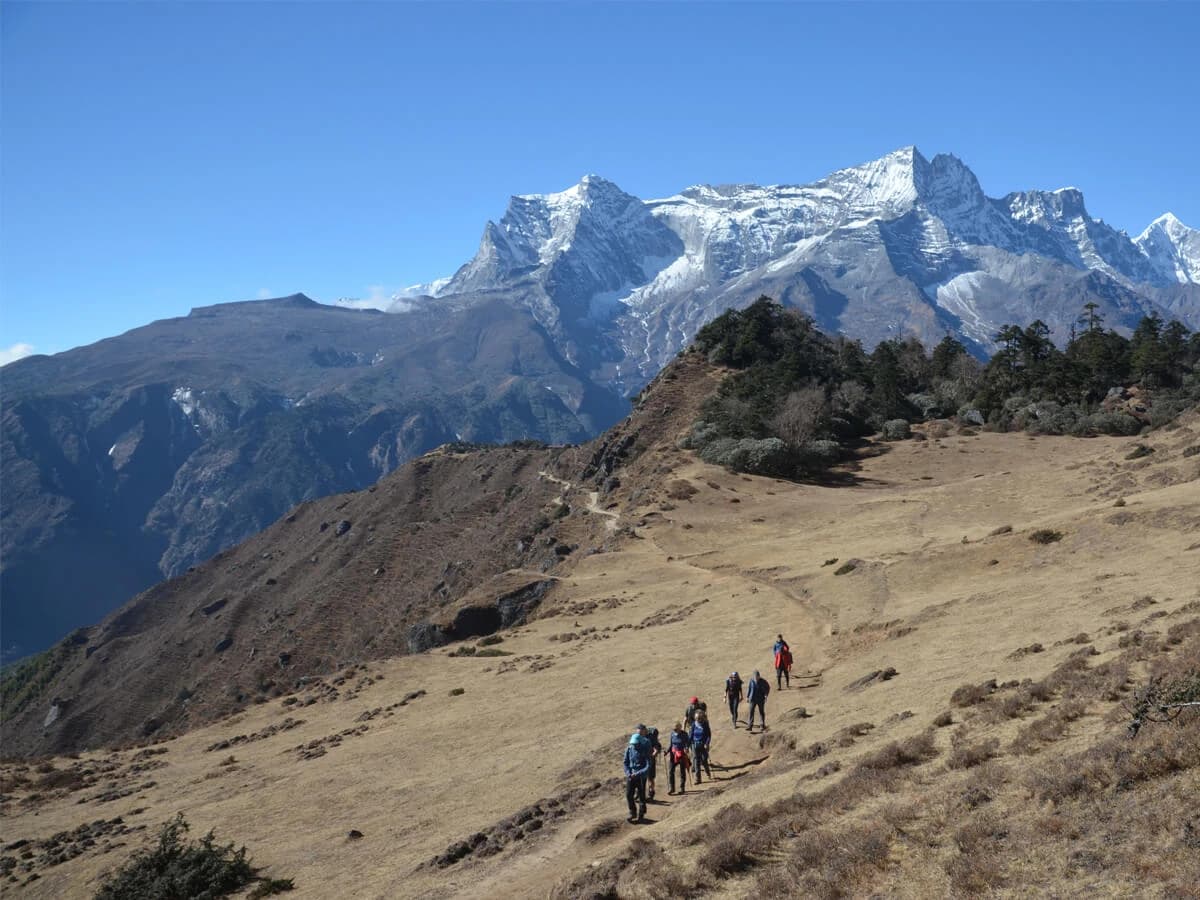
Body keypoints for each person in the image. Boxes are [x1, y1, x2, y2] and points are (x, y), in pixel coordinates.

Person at [623, 725, 651, 823]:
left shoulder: (645, 750)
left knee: (641, 795)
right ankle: (632, 812)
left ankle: (641, 814)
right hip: (631, 775)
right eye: (633, 743)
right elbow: (625, 762)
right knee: (629, 795)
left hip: (641, 777)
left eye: (635, 744)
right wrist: (628, 772)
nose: (634, 745)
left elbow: (648, 765)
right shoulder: (629, 749)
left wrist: (639, 773)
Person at [667, 722, 691, 795]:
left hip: (682, 754)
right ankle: (672, 788)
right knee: (671, 771)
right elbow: (671, 745)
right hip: (673, 755)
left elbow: (687, 743)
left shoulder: (684, 734)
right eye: (674, 729)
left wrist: (686, 748)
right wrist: (667, 751)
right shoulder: (672, 734)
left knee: (682, 771)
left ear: (680, 728)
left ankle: (682, 788)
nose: (675, 730)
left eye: (676, 729)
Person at [690, 710, 713, 783]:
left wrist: (707, 743)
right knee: (696, 761)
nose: (697, 720)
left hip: (703, 745)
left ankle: (707, 772)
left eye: (699, 718)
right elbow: (690, 735)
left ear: (702, 718)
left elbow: (709, 735)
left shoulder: (705, 724)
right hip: (695, 744)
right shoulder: (694, 724)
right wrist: (687, 745)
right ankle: (698, 779)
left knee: (704, 760)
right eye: (696, 718)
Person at [645, 726, 662, 800]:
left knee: (650, 777)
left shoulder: (651, 737)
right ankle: (642, 793)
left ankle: (651, 793)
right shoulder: (640, 737)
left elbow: (656, 746)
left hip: (650, 759)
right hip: (643, 759)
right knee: (645, 778)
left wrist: (655, 752)